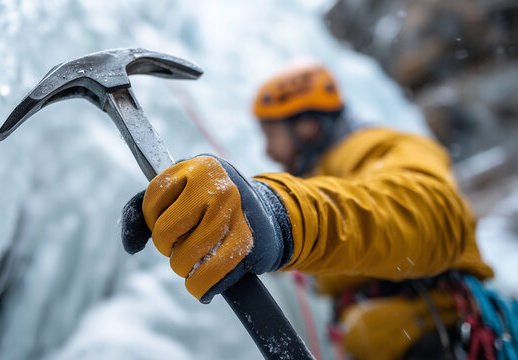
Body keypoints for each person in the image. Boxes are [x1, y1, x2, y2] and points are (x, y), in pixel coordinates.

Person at [121, 61, 494, 359]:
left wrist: (282, 216)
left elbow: (426, 214)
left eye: (271, 135)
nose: (268, 152)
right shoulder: (331, 171)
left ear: (307, 125)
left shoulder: (381, 147)